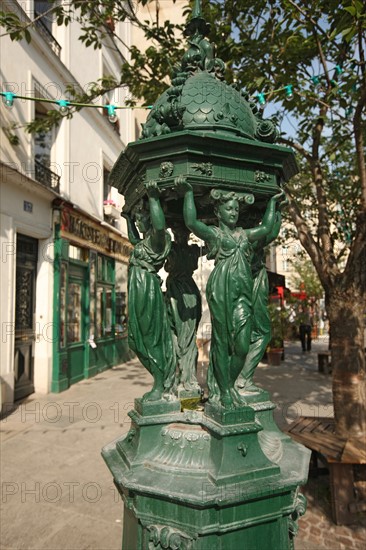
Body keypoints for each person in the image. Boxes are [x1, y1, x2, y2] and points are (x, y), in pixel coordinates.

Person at [179, 179, 284, 408]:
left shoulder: (244, 235)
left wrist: (274, 204)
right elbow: (191, 222)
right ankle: (225, 390)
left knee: (242, 344)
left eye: (236, 209)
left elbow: (267, 229)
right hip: (221, 292)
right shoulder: (216, 235)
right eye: (229, 208)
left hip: (242, 295)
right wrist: (188, 193)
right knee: (222, 341)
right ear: (218, 211)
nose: (234, 212)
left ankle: (232, 381)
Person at [123, 181, 176, 401]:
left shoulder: (158, 240)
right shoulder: (142, 244)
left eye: (142, 215)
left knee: (150, 336)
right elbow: (134, 238)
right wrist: (127, 219)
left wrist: (154, 198)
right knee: (134, 339)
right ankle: (160, 378)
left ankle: (161, 381)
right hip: (137, 289)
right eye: (137, 216)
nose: (139, 218)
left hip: (147, 290)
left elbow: (160, 227)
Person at [236, 206, 284, 392]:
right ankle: (243, 377)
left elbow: (270, 231)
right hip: (252, 286)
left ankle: (241, 377)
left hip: (249, 285)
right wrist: (276, 207)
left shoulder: (238, 238)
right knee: (261, 333)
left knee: (254, 334)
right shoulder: (248, 240)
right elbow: (270, 231)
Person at [165, 224, 202, 395]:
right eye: (177, 232)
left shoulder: (193, 250)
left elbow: (212, 246)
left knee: (188, 335)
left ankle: (188, 377)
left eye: (184, 233)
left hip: (189, 292)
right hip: (175, 292)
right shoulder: (169, 248)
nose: (181, 236)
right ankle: (179, 377)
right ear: (173, 232)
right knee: (178, 335)